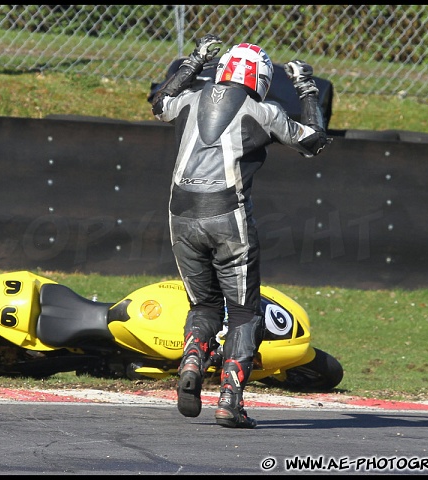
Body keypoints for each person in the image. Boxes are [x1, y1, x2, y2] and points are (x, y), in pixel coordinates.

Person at [151, 34, 330, 429]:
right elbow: (313, 141)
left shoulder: (191, 97)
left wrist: (194, 61)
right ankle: (230, 400)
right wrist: (306, 88)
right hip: (228, 218)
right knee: (246, 313)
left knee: (203, 306)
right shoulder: (263, 110)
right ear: (261, 78)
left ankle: (194, 359)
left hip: (180, 215)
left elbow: (160, 103)